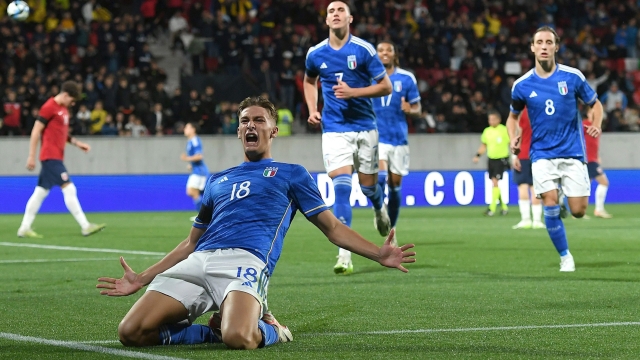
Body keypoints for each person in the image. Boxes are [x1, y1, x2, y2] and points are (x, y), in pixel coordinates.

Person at [96, 96, 416, 350]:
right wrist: (142, 277)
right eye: (244, 121)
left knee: (240, 338)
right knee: (131, 332)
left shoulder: (292, 174)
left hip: (246, 262)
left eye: (259, 120)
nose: (251, 125)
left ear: (272, 130)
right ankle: (210, 334)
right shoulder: (218, 179)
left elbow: (331, 227)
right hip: (199, 261)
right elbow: (191, 242)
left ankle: (271, 328)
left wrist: (379, 253)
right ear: (238, 131)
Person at [304, 1, 393, 275]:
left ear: (349, 18)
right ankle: (344, 254)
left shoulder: (364, 50)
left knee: (368, 188)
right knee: (341, 187)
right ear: (327, 20)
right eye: (331, 11)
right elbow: (309, 81)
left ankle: (379, 206)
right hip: (334, 128)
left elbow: (385, 86)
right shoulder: (315, 53)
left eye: (340, 10)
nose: (335, 14)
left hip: (365, 126)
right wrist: (312, 109)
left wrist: (354, 93)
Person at [507, 26, 604, 272]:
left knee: (579, 211)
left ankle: (562, 197)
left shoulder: (573, 77)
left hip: (573, 152)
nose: (544, 46)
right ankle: (565, 256)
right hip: (542, 155)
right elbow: (512, 117)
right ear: (532, 47)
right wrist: (513, 138)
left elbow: (595, 104)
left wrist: (596, 123)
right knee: (549, 202)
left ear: (556, 47)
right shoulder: (522, 84)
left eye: (548, 42)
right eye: (539, 42)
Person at [17, 81, 105, 238]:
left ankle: (24, 228)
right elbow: (36, 131)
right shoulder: (49, 107)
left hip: (55, 156)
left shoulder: (63, 109)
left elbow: (62, 133)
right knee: (69, 188)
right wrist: (31, 155)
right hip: (50, 157)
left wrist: (77, 144)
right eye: (72, 100)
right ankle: (85, 226)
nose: (73, 103)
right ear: (65, 95)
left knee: (40, 193)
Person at [372, 41, 421, 235]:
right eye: (381, 50)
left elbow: (418, 109)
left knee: (395, 185)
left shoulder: (407, 78)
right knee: (381, 178)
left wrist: (411, 110)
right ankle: (379, 212)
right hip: (376, 137)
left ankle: (390, 229)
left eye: (388, 50)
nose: (384, 53)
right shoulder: (368, 78)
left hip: (399, 139)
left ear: (394, 55)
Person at [511, 108, 545, 229]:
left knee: (523, 186)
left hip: (524, 154)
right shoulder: (541, 109)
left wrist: (514, 156)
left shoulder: (521, 112)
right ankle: (537, 220)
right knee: (536, 187)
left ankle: (526, 220)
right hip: (539, 155)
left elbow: (518, 134)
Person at [473, 110, 510, 216]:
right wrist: (477, 155)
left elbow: (511, 142)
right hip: (491, 159)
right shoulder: (487, 131)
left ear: (499, 120)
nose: (491, 121)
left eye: (493, 119)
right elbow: (484, 145)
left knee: (495, 182)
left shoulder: (504, 130)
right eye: (490, 119)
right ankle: (504, 207)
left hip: (501, 159)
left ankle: (492, 208)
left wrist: (516, 157)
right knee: (494, 183)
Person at [583, 116, 613, 218]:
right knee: (604, 182)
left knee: (586, 186)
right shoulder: (585, 124)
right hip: (588, 160)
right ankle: (598, 210)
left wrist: (597, 156)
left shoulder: (596, 126)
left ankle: (581, 212)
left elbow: (593, 143)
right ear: (588, 113)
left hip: (592, 159)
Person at [180, 122, 210, 220]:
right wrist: (190, 165)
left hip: (200, 172)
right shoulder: (190, 141)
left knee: (191, 191)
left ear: (193, 129)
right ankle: (204, 215)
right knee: (197, 193)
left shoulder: (195, 141)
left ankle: (203, 215)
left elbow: (199, 156)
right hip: (196, 171)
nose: (185, 129)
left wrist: (187, 159)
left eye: (187, 127)